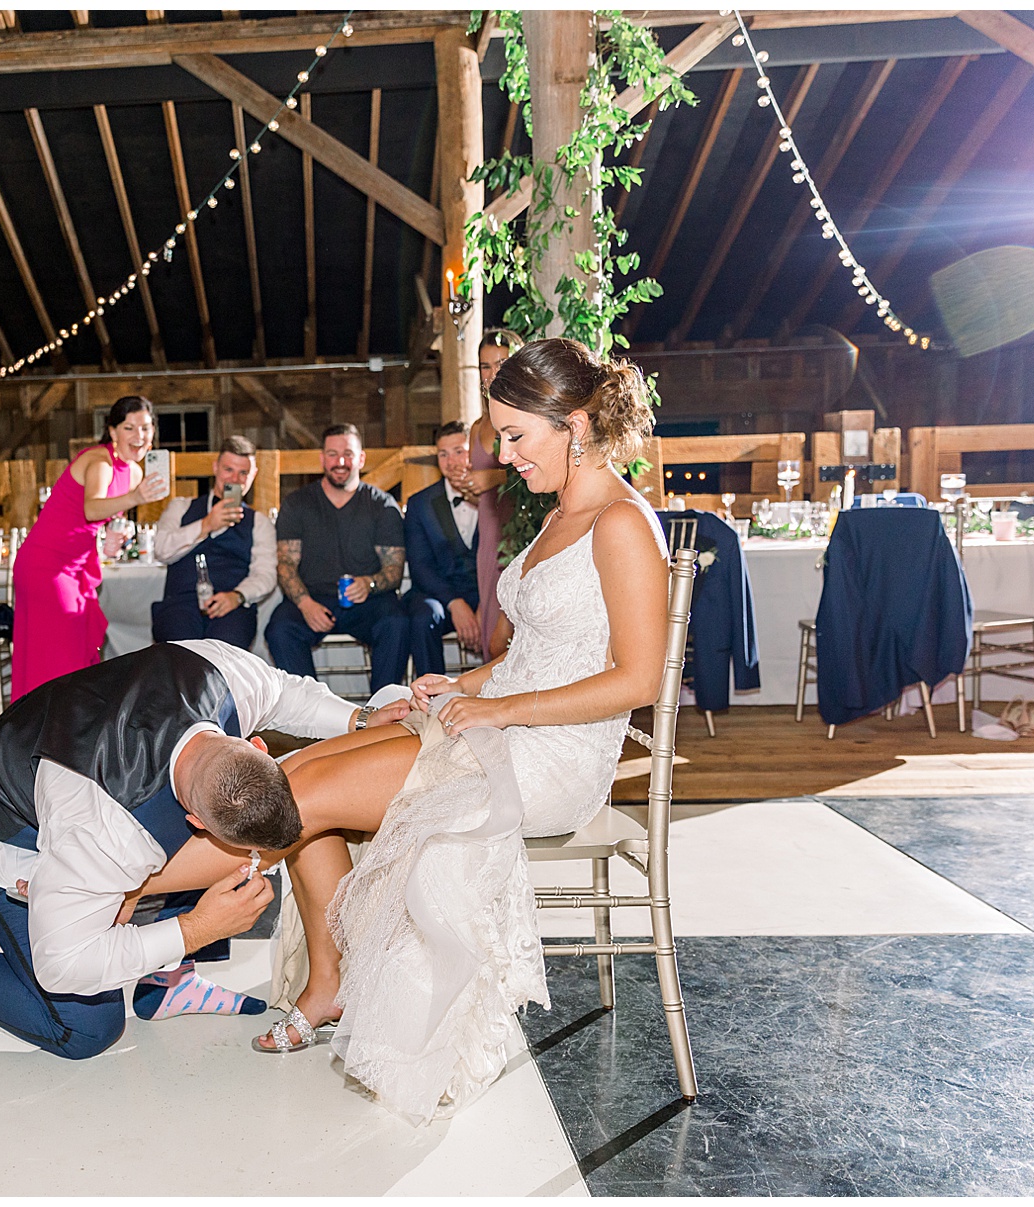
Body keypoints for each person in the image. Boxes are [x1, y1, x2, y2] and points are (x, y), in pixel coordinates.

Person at [158, 340, 670, 1124]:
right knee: (297, 772)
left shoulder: (623, 523)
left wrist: (498, 709)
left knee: (297, 799)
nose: (503, 455)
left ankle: (133, 897)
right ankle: (324, 978)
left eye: (515, 436)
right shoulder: (560, 511)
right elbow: (532, 655)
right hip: (500, 720)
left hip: (552, 755)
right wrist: (462, 685)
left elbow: (636, 679)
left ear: (572, 424)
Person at [0, 639, 410, 1060]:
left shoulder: (219, 674)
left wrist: (357, 717)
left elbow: (283, 691)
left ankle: (164, 984)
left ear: (257, 746)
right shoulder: (105, 832)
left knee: (189, 863)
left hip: (67, 776)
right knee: (85, 1031)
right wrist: (194, 929)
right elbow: (62, 964)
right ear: (193, 821)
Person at [9, 396, 168, 702]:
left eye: (146, 428)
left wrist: (109, 541)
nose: (139, 436)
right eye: (129, 428)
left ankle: (65, 723)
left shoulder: (134, 473)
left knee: (75, 653)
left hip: (76, 566)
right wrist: (136, 498)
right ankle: (48, 723)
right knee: (56, 658)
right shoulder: (101, 462)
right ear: (113, 431)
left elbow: (94, 523)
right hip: (46, 564)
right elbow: (92, 508)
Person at [264, 424, 410, 691]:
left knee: (397, 623)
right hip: (312, 598)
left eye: (348, 454)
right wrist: (305, 603)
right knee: (280, 630)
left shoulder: (382, 505)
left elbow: (394, 569)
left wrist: (369, 584)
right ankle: (310, 709)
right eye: (332, 454)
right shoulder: (297, 503)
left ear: (361, 458)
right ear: (322, 458)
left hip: (368, 600)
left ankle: (384, 707)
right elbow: (285, 564)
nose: (340, 462)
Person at [150, 435, 275, 651]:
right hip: (181, 605)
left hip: (231, 607)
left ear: (253, 475)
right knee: (181, 652)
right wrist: (206, 525)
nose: (235, 479)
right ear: (215, 468)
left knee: (224, 653)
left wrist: (238, 596)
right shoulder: (181, 507)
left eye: (243, 473)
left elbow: (266, 574)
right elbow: (162, 550)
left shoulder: (259, 522)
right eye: (228, 470)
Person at [401, 421, 483, 679]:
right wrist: (454, 603)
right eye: (443, 454)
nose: (451, 461)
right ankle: (433, 694)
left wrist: (488, 605)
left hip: (487, 592)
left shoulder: (496, 496)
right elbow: (420, 567)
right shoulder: (420, 504)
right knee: (424, 616)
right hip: (439, 594)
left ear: (474, 452)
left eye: (459, 451)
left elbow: (507, 561)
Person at [469, 328, 524, 658]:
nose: (492, 374)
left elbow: (541, 477)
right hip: (489, 538)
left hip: (520, 534)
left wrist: (495, 477)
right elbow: (480, 493)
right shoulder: (477, 427)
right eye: (485, 366)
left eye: (501, 364)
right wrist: (470, 486)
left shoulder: (528, 419)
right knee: (492, 635)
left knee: (512, 639)